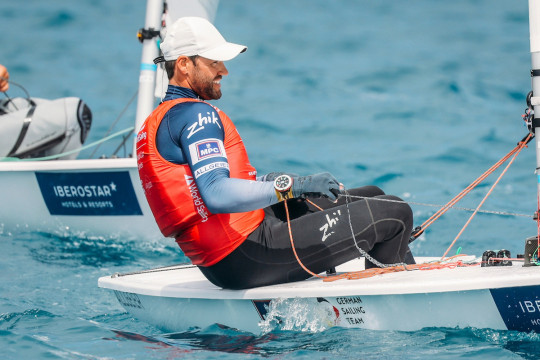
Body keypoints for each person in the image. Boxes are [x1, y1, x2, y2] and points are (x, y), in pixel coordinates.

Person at [137, 17, 415, 290]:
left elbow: (197, 183)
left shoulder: (162, 118)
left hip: (226, 256)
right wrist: (292, 186)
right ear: (184, 64)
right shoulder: (197, 115)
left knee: (373, 195)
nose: (224, 71)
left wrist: (268, 178)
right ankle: (392, 303)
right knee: (395, 214)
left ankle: (402, 273)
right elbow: (215, 193)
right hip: (245, 255)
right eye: (214, 63)